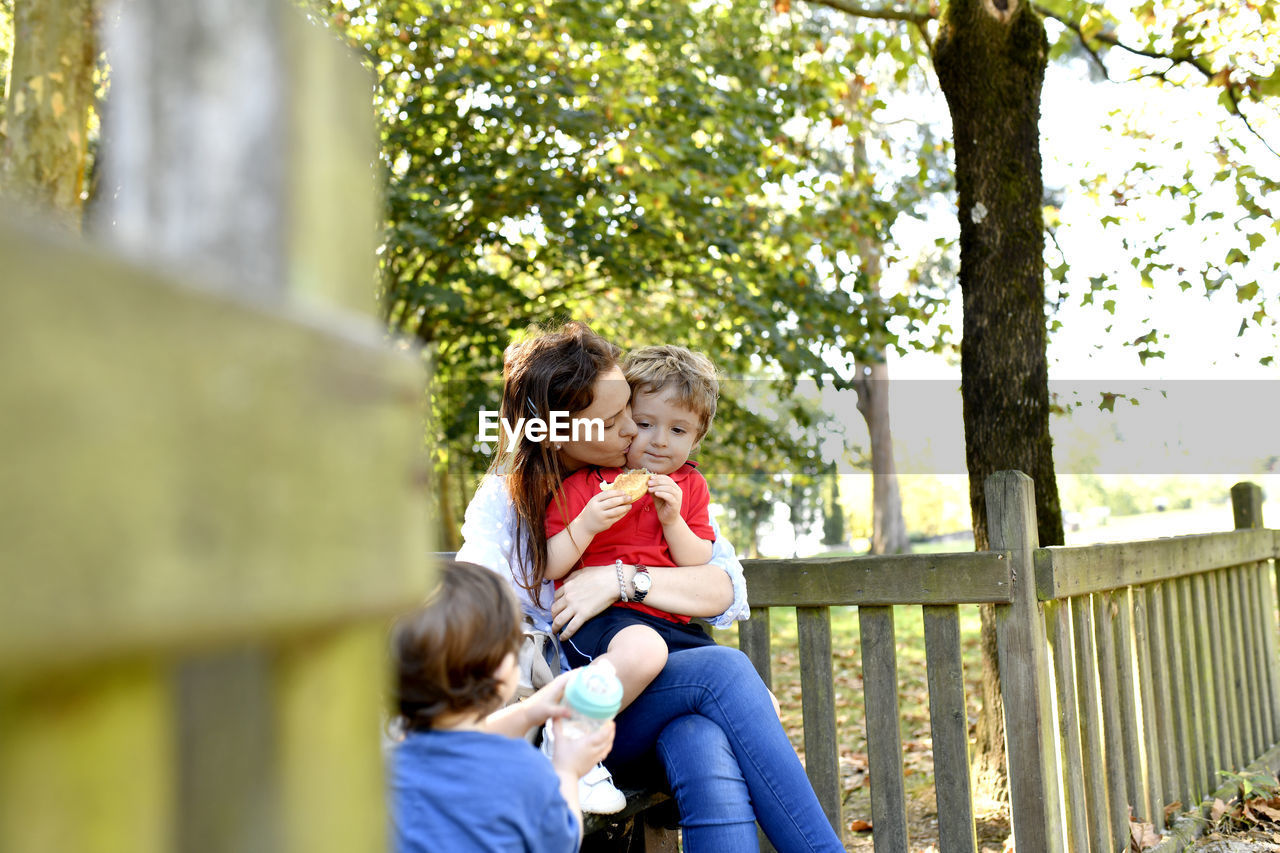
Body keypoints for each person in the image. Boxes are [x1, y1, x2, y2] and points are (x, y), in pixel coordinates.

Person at [457, 321, 845, 852]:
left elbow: (720, 585)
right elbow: (476, 625)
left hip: (638, 706)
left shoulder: (661, 485)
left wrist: (618, 581)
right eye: (619, 421)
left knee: (702, 737)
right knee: (726, 673)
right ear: (561, 428)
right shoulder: (513, 503)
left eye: (627, 417)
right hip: (554, 724)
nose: (634, 436)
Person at [389, 559, 615, 853]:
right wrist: (568, 770)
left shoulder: (386, 767)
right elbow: (561, 841)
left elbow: (458, 741)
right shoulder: (524, 772)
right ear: (501, 671)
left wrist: (528, 711)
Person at [545, 346, 722, 709]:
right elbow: (549, 565)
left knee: (760, 696)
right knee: (643, 648)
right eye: (644, 424)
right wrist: (587, 524)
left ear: (697, 437)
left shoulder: (689, 486)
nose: (659, 440)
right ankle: (565, 722)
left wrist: (672, 520)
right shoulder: (586, 483)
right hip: (603, 621)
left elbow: (699, 558)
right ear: (626, 421)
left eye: (677, 430)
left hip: (671, 623)